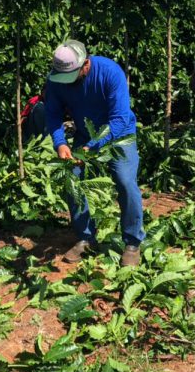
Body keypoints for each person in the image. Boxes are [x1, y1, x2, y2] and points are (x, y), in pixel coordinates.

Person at [45, 39, 145, 266]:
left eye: (72, 76)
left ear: (86, 64)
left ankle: (132, 242)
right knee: (72, 179)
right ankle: (86, 237)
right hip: (85, 133)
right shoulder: (56, 79)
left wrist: (92, 146)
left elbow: (119, 119)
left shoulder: (110, 72)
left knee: (125, 180)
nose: (68, 82)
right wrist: (60, 143)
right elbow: (53, 113)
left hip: (119, 135)